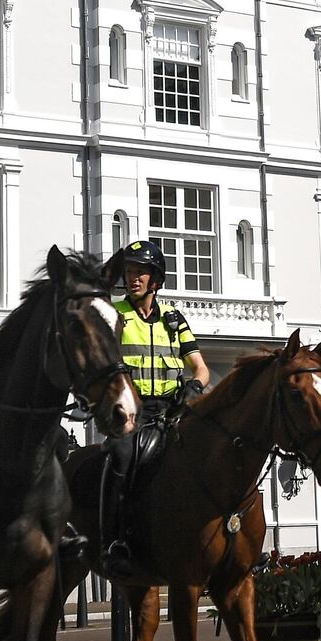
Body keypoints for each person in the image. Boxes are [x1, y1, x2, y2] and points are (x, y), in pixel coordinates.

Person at [98, 239, 210, 576]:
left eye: (140, 273)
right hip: (133, 411)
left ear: (155, 280)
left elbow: (200, 368)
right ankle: (112, 541)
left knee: (214, 450)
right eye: (129, 272)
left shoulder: (174, 319)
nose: (133, 278)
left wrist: (195, 387)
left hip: (173, 409)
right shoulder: (116, 314)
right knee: (119, 455)